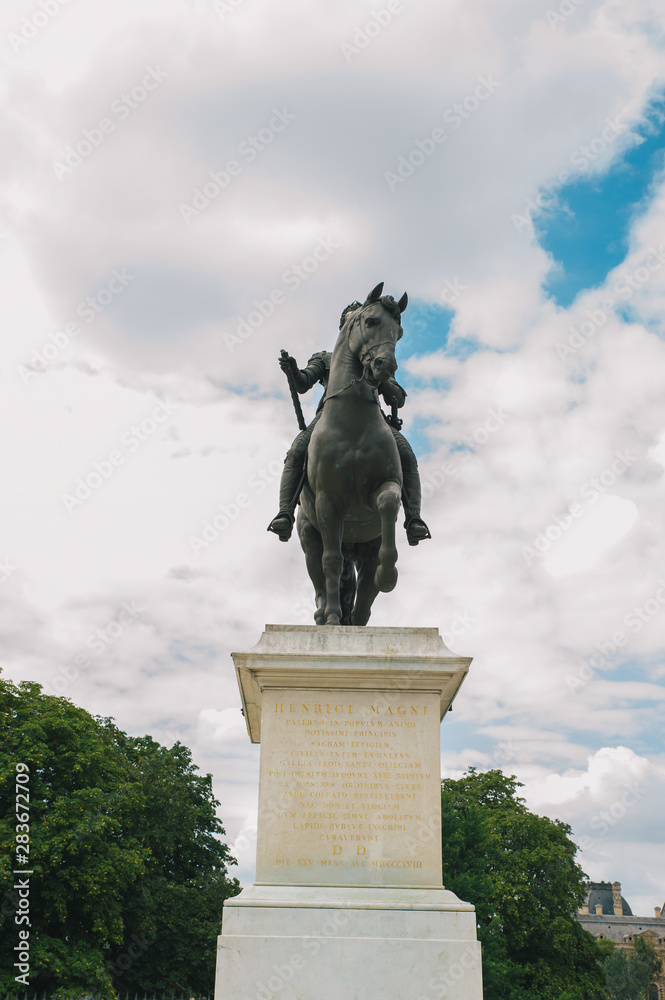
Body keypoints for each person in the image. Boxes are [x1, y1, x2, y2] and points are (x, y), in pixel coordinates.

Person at [268, 304, 431, 546]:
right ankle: (286, 513)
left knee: (406, 454)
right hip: (328, 419)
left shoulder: (375, 357)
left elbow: (397, 396)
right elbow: (303, 383)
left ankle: (413, 518)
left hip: (373, 418)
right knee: (297, 451)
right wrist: (293, 371)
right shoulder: (326, 358)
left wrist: (386, 381)